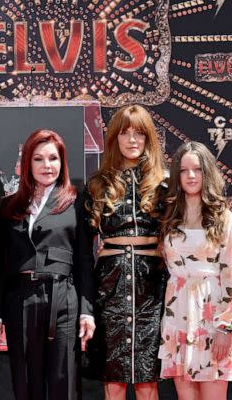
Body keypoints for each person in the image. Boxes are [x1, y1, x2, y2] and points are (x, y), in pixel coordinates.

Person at [0, 129, 96, 400]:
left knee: (64, 383)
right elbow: (0, 264)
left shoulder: (78, 201)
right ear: (27, 163)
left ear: (62, 162)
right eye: (38, 159)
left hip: (64, 299)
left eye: (53, 158)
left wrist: (87, 310)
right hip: (19, 300)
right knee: (26, 383)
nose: (47, 165)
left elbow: (85, 260)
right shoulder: (8, 206)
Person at [158, 141, 232, 400]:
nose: (191, 176)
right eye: (184, 170)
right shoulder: (170, 215)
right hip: (178, 313)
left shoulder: (223, 217)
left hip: (213, 316)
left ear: (208, 172)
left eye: (198, 169)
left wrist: (226, 328)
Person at [85, 104, 169, 400]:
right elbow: (83, 248)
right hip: (110, 285)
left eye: (139, 134)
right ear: (114, 138)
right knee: (114, 378)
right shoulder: (98, 184)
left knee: (148, 378)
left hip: (153, 287)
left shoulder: (165, 184)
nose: (132, 140)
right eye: (125, 133)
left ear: (149, 139)